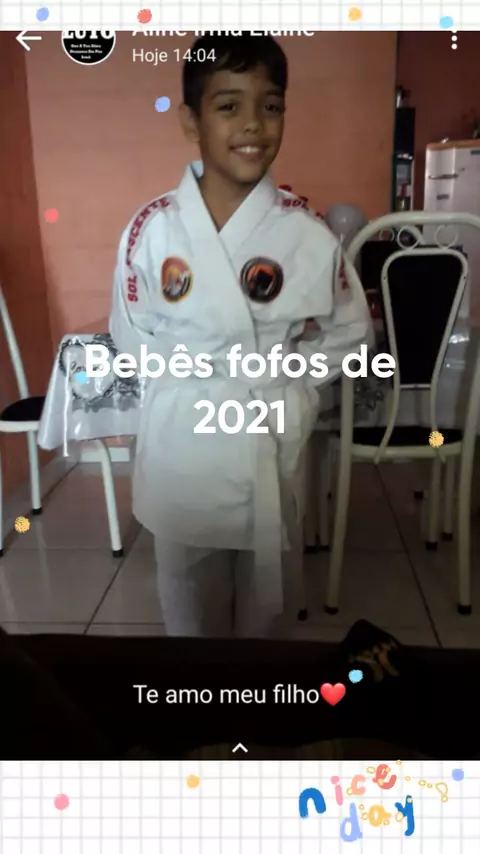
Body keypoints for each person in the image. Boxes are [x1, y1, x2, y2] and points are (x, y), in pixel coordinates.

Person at [110, 33, 370, 639]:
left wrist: (294, 385)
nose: (253, 123)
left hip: (267, 434)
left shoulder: (305, 233)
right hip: (185, 444)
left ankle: (260, 699)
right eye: (229, 106)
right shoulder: (153, 229)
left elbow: (351, 329)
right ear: (190, 121)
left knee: (265, 623)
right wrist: (183, 382)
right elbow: (131, 332)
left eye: (270, 105)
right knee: (190, 619)